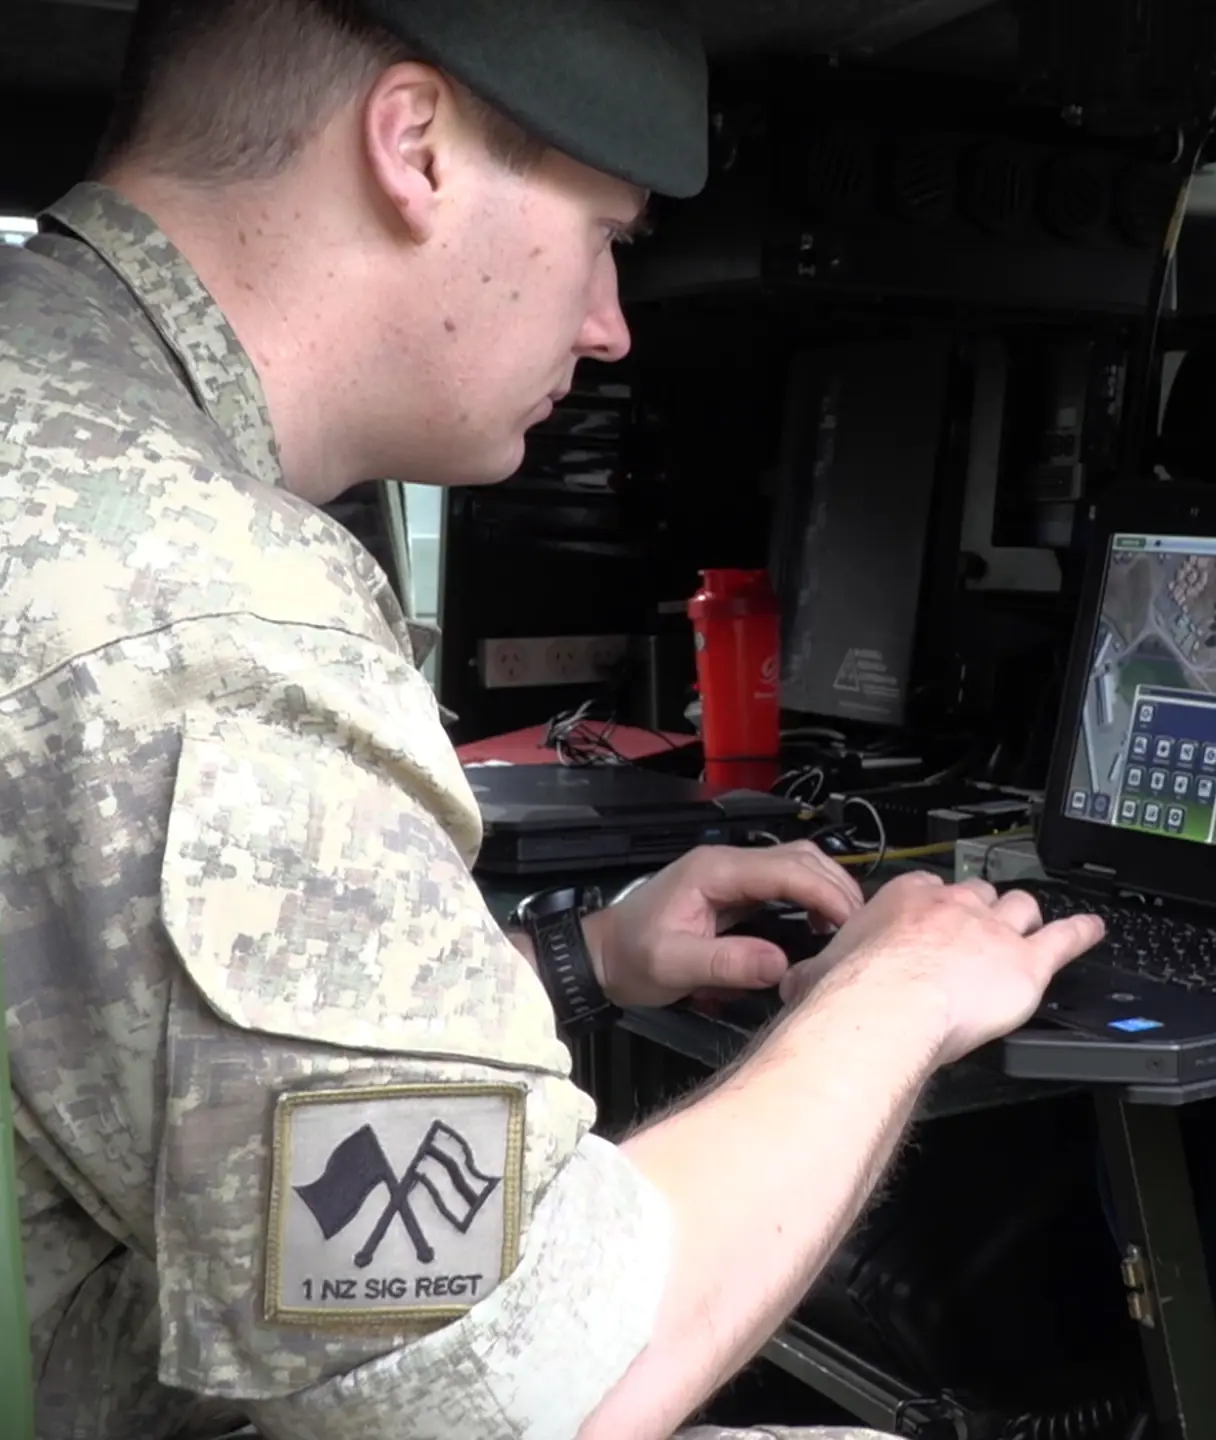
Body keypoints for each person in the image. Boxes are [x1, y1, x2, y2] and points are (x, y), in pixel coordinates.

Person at [0, 1, 1107, 1437]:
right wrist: (899, 997)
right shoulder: (199, 604)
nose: (611, 325)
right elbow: (524, 1398)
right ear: (417, 148)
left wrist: (578, 966)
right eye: (606, 237)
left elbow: (159, 1075)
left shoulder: (51, 399)